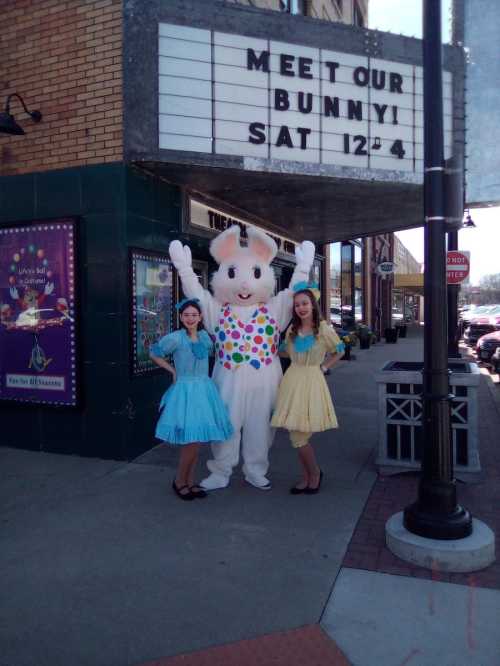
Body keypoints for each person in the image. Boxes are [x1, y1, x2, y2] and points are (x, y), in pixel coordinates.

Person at [150, 298, 233, 501]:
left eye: (194, 315)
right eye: (186, 315)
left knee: (196, 442)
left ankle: (189, 480)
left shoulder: (205, 337)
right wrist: (172, 370)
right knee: (191, 441)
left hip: (204, 390)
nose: (190, 318)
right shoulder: (176, 338)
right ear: (180, 317)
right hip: (186, 392)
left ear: (200, 317)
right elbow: (155, 352)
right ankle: (180, 481)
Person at [271, 283, 345, 495]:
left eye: (304, 303)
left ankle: (314, 474)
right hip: (292, 379)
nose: (301, 308)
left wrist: (323, 367)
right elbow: (284, 352)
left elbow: (339, 351)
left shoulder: (323, 329)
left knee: (299, 436)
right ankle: (308, 475)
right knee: (296, 433)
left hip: (312, 380)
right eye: (297, 305)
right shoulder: (292, 331)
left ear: (313, 305)